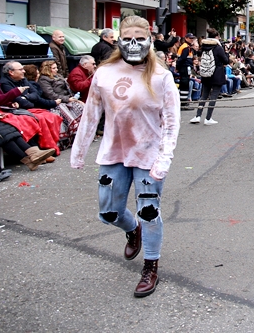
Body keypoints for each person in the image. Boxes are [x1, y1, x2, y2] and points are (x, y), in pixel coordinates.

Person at [71, 15, 180, 298]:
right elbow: (91, 114)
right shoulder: (104, 73)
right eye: (128, 37)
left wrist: (164, 159)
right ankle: (133, 230)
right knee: (109, 213)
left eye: (140, 38)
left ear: (150, 39)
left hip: (148, 155)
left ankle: (151, 266)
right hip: (114, 153)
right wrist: (79, 151)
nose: (134, 43)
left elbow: (171, 122)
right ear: (119, 40)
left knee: (149, 211)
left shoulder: (161, 76)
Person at [0, 64, 53, 170]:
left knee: (9, 128)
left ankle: (33, 153)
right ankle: (29, 159)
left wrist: (8, 104)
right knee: (0, 132)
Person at [189, 28, 230, 125]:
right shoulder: (218, 48)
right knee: (213, 96)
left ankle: (198, 116)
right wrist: (227, 52)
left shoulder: (204, 47)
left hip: (206, 73)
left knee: (204, 95)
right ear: (216, 37)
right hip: (217, 73)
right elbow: (226, 61)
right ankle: (208, 118)